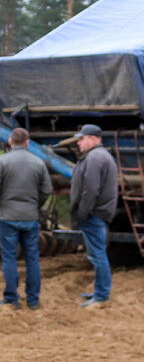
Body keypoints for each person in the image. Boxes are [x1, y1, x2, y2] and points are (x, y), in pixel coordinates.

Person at [0, 127, 53, 310]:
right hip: (30, 217)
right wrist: (35, 205)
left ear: (10, 142)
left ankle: (11, 299)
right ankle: (33, 300)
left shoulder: (2, 161)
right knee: (32, 259)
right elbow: (47, 190)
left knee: (9, 258)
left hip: (7, 217)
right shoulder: (38, 162)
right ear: (27, 143)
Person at [69, 124, 118, 308]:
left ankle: (102, 296)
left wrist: (83, 212)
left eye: (82, 139)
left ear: (93, 139)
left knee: (98, 256)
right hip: (97, 213)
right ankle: (99, 291)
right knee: (97, 255)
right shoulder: (99, 156)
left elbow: (90, 190)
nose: (79, 143)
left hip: (93, 214)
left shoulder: (95, 158)